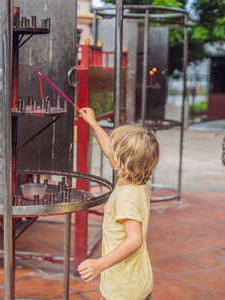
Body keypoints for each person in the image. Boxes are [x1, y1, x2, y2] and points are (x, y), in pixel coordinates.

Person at [77, 107, 159, 300]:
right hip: (136, 279)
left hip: (123, 288)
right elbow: (109, 150)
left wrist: (100, 264)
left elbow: (134, 239)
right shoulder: (137, 180)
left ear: (122, 162)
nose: (109, 152)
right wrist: (93, 123)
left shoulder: (127, 197)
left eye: (115, 151)